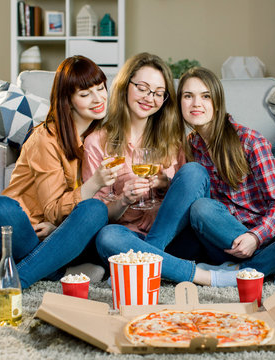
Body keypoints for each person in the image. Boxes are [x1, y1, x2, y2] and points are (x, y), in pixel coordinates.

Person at [0, 56, 123, 303]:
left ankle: (13, 282)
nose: (98, 98)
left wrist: (58, 230)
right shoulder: (45, 138)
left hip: (59, 236)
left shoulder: (102, 137)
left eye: (101, 89)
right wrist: (94, 182)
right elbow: (52, 210)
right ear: (68, 99)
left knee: (96, 210)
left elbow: (81, 214)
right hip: (19, 234)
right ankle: (61, 271)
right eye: (85, 94)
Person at [178, 66, 275, 287]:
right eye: (188, 96)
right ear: (180, 103)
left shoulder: (250, 141)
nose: (196, 103)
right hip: (226, 243)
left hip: (266, 238)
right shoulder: (189, 147)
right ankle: (271, 268)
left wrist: (255, 237)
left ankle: (241, 272)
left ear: (217, 101)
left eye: (205, 96)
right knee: (201, 208)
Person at [82, 53, 216, 286]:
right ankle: (191, 273)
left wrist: (167, 184)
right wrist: (123, 200)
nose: (149, 98)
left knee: (194, 171)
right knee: (107, 237)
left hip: (174, 238)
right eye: (142, 88)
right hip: (127, 239)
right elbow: (95, 212)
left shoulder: (173, 140)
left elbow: (192, 193)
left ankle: (145, 265)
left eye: (157, 93)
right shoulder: (97, 141)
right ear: (125, 86)